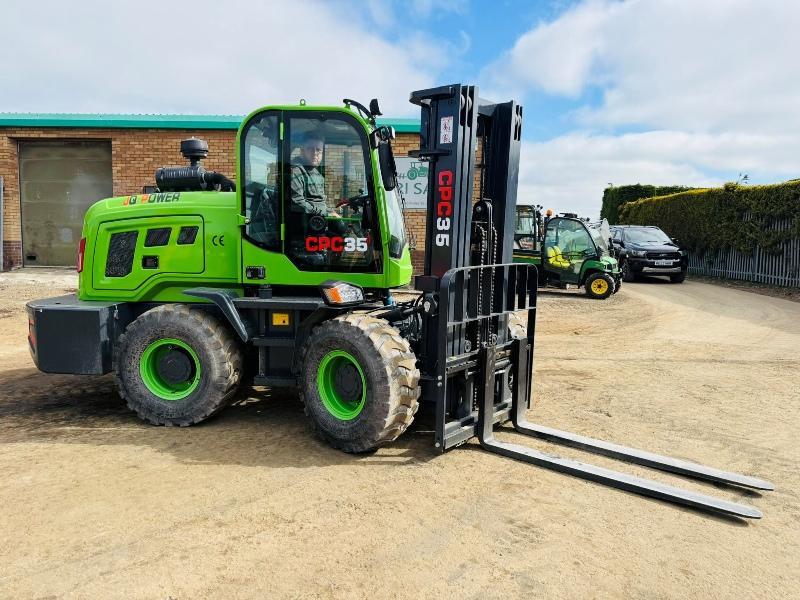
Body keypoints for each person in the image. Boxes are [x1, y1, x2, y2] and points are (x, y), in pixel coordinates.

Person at [289, 130, 339, 218]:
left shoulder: (317, 174)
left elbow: (319, 202)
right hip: (305, 224)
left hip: (317, 220)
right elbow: (297, 202)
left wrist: (331, 212)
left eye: (318, 150)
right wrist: (326, 214)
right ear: (302, 151)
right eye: (310, 149)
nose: (315, 153)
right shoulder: (296, 171)